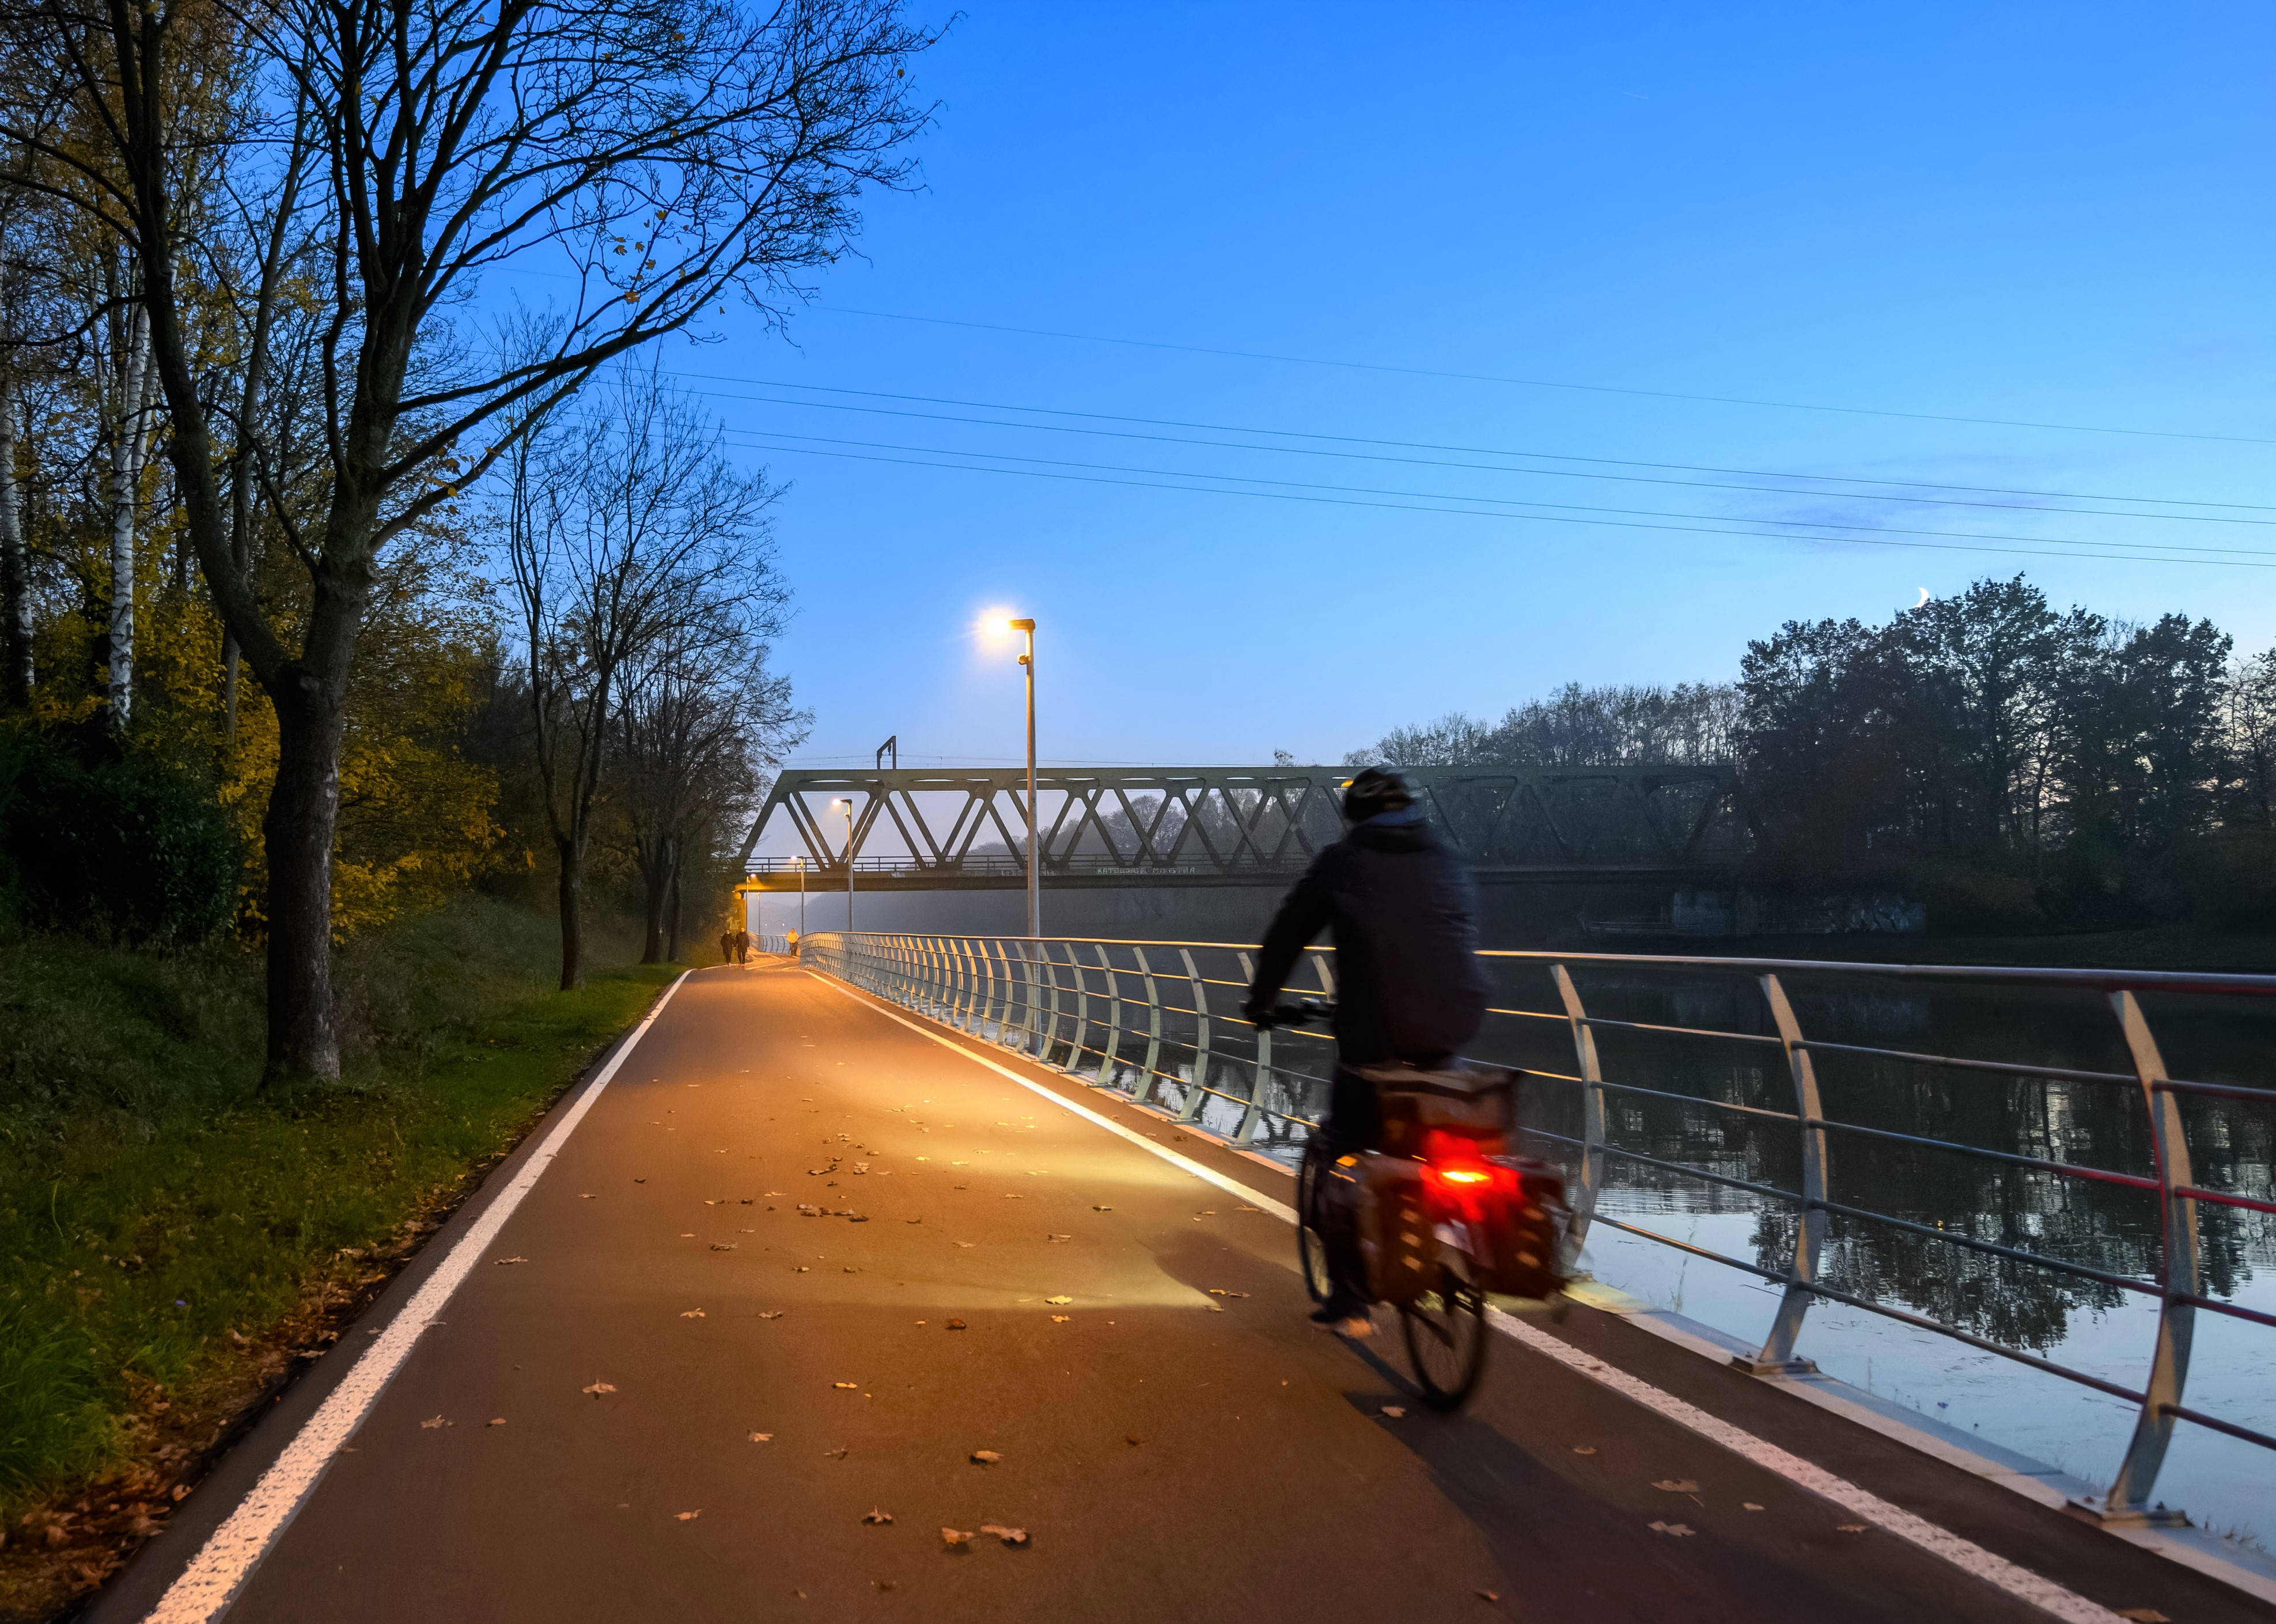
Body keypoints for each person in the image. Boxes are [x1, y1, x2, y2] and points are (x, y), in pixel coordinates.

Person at [1242, 767, 1487, 1335]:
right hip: (1452, 1033)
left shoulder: (1345, 861)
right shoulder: (1446, 858)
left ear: (1355, 815)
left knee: (1341, 1151)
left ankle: (1351, 1298)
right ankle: (1455, 1234)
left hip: (1375, 1042)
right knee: (1440, 1135)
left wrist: (1262, 1002)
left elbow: (1287, 933)